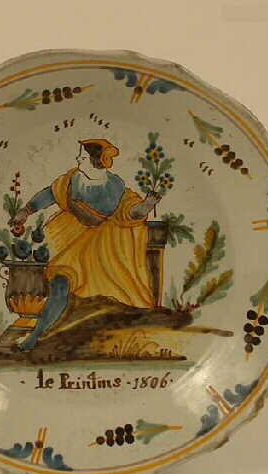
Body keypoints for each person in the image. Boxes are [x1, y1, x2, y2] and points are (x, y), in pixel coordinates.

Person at [9, 138, 162, 351]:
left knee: (91, 289)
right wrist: (26, 211)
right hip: (69, 240)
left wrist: (144, 207)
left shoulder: (114, 185)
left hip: (100, 246)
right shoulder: (73, 178)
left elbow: (128, 212)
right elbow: (51, 193)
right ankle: (35, 336)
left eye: (82, 156)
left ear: (96, 160)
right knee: (59, 284)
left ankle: (41, 336)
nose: (78, 159)